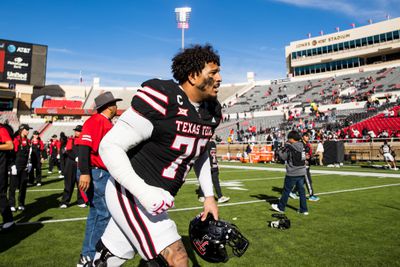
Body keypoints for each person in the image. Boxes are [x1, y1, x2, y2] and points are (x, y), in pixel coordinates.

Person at [93, 44, 222, 266]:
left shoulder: (211, 111)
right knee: (177, 258)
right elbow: (109, 146)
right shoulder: (164, 98)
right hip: (130, 193)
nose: (219, 78)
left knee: (109, 259)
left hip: (156, 197)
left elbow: (199, 152)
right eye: (212, 73)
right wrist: (144, 192)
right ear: (192, 76)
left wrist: (209, 196)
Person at [76, 91, 122, 266]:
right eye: (115, 104)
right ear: (109, 106)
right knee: (102, 214)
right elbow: (84, 147)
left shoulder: (105, 122)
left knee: (98, 213)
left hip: (100, 172)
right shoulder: (95, 121)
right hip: (96, 172)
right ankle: (90, 254)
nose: (116, 107)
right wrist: (85, 172)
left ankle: (89, 254)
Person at [271, 130, 308, 215]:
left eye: (289, 138)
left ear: (292, 139)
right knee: (302, 192)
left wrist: (279, 149)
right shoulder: (302, 145)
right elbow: (303, 158)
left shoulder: (290, 147)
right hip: (302, 171)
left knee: (286, 190)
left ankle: (281, 207)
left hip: (292, 172)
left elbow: (283, 157)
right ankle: (304, 209)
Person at [59, 125, 87, 209]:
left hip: (81, 164)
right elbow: (67, 152)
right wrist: (75, 157)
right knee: (68, 184)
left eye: (78, 131)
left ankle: (81, 200)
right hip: (71, 164)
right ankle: (65, 202)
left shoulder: (84, 141)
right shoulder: (71, 140)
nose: (76, 132)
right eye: (76, 131)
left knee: (81, 184)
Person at [198, 138, 230, 204]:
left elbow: (214, 155)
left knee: (216, 182)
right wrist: (208, 165)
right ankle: (201, 195)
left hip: (214, 165)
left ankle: (220, 197)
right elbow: (206, 155)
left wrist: (217, 163)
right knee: (205, 180)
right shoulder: (205, 143)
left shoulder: (213, 143)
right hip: (208, 165)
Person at [290, 132, 320, 201]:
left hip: (307, 164)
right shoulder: (301, 144)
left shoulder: (307, 144)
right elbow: (301, 155)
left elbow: (307, 155)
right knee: (308, 181)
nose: (307, 137)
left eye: (308, 136)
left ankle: (293, 192)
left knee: (302, 181)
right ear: (303, 137)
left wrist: (312, 156)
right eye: (306, 136)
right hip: (303, 165)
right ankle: (311, 195)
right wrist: (306, 158)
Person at [8, 124, 32, 212]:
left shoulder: (28, 141)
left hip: (24, 166)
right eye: (26, 129)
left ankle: (21, 204)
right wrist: (12, 165)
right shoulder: (16, 139)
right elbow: (11, 154)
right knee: (12, 187)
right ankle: (12, 204)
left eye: (28, 129)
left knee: (23, 187)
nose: (28, 131)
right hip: (16, 166)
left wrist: (29, 164)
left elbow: (29, 154)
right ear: (21, 130)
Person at [0, 122, 15, 232]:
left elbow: (10, 145)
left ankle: (9, 220)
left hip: (0, 167)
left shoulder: (1, 129)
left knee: (0, 194)